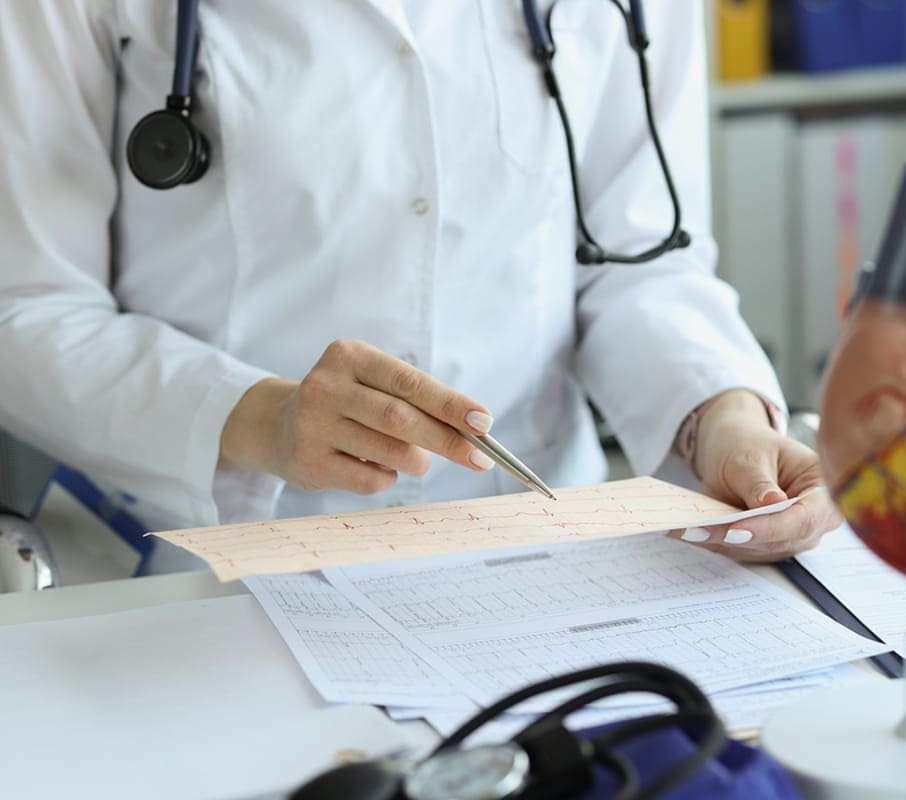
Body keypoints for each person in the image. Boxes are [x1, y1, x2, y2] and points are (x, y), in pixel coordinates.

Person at [0, 1, 851, 570]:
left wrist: (724, 416)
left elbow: (637, 256)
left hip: (539, 546)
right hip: (202, 560)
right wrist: (257, 416)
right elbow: (26, 302)